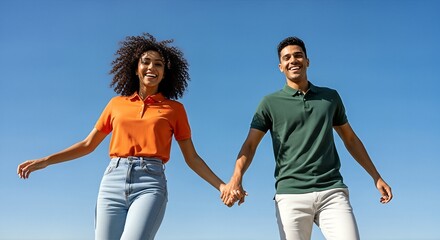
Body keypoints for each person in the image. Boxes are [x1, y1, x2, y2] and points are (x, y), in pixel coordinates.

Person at [17, 33, 231, 240]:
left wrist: (222, 186)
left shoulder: (174, 109)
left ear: (165, 73)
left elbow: (191, 157)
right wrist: (45, 161)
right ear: (136, 69)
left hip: (150, 183)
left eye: (158, 64)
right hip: (112, 180)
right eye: (146, 62)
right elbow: (88, 144)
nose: (151, 68)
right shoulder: (116, 104)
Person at [221, 36, 393, 240]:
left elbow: (351, 139)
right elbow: (250, 145)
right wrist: (236, 177)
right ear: (280, 67)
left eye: (298, 55)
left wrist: (376, 176)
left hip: (332, 191)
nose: (293, 60)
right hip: (291, 195)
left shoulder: (330, 97)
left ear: (307, 61)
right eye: (287, 58)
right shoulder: (269, 103)